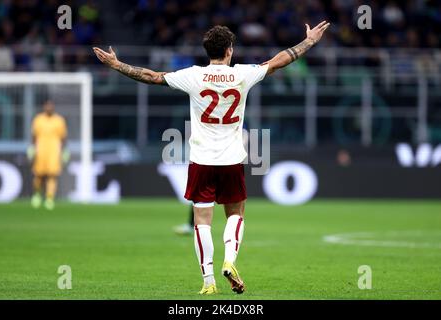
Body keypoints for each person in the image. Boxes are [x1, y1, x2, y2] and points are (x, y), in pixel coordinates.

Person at [93, 20, 330, 295]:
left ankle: (208, 281)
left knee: (201, 221)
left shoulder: (194, 76)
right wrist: (309, 42)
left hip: (201, 159)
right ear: (229, 50)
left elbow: (152, 76)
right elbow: (279, 61)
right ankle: (230, 260)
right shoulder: (243, 73)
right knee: (236, 214)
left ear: (208, 51)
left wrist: (117, 65)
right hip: (231, 159)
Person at [27, 100, 69, 210]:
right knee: (38, 175)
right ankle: (37, 195)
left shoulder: (59, 120)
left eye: (51, 106)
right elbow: (34, 136)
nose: (49, 108)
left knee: (52, 175)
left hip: (54, 151)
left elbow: (63, 137)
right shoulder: (38, 119)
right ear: (44, 107)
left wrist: (64, 151)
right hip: (41, 150)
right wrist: (32, 149)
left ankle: (49, 198)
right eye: (47, 106)